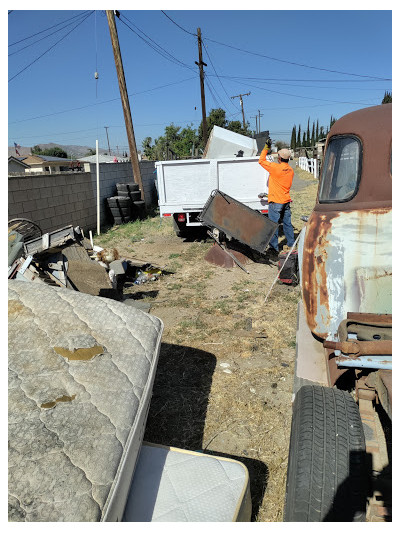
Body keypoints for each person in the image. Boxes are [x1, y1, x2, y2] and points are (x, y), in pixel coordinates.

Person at [258, 144, 295, 260]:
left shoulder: (275, 168)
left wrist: (266, 147)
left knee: (273, 225)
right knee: (287, 224)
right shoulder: (291, 170)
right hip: (286, 201)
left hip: (276, 202)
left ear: (279, 158)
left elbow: (261, 160)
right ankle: (291, 244)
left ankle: (274, 249)